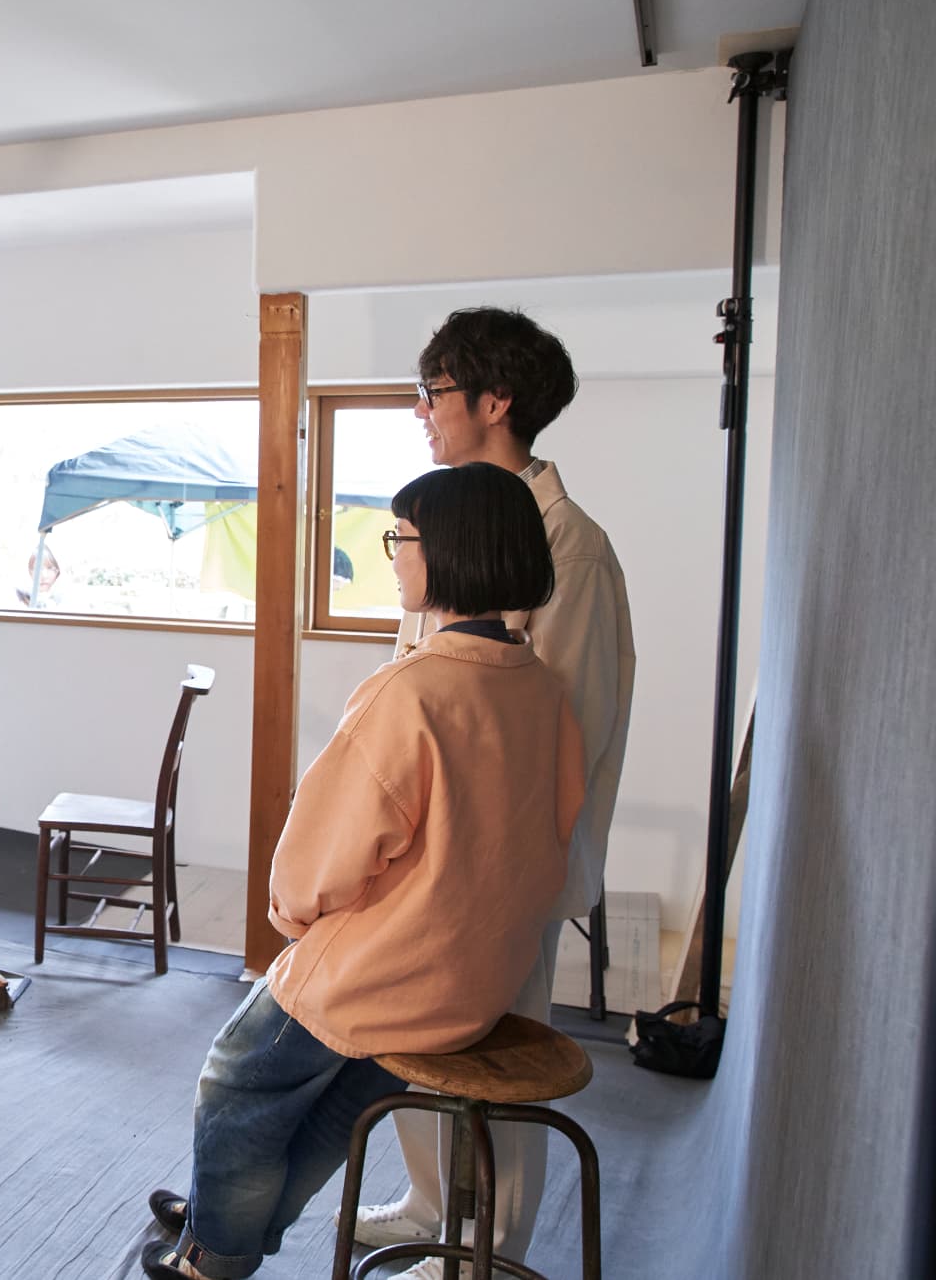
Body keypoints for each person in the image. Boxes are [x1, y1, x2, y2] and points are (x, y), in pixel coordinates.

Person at [140, 463, 585, 1280]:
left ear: (449, 551)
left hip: (382, 971)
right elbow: (552, 836)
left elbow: (314, 865)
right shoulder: (543, 690)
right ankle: (225, 1220)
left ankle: (216, 1253)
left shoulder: (411, 690)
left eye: (400, 537)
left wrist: (295, 924)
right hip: (476, 982)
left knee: (237, 1081)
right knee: (336, 1102)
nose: (394, 555)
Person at [356, 308, 637, 1277]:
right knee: (416, 1038)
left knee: (495, 1054)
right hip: (427, 854)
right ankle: (431, 1205)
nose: (420, 412)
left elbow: (565, 733)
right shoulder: (449, 521)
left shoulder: (572, 550)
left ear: (494, 402)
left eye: (431, 393)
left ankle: (484, 1252)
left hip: (504, 866)